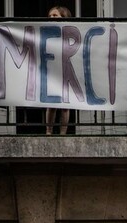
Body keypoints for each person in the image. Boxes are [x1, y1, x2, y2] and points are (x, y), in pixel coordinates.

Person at [45, 5, 72, 135]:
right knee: (51, 104)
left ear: (64, 17)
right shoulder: (44, 32)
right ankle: (48, 131)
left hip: (66, 70)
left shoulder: (71, 32)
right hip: (51, 70)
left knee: (65, 106)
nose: (51, 18)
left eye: (55, 15)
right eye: (50, 16)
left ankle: (63, 133)